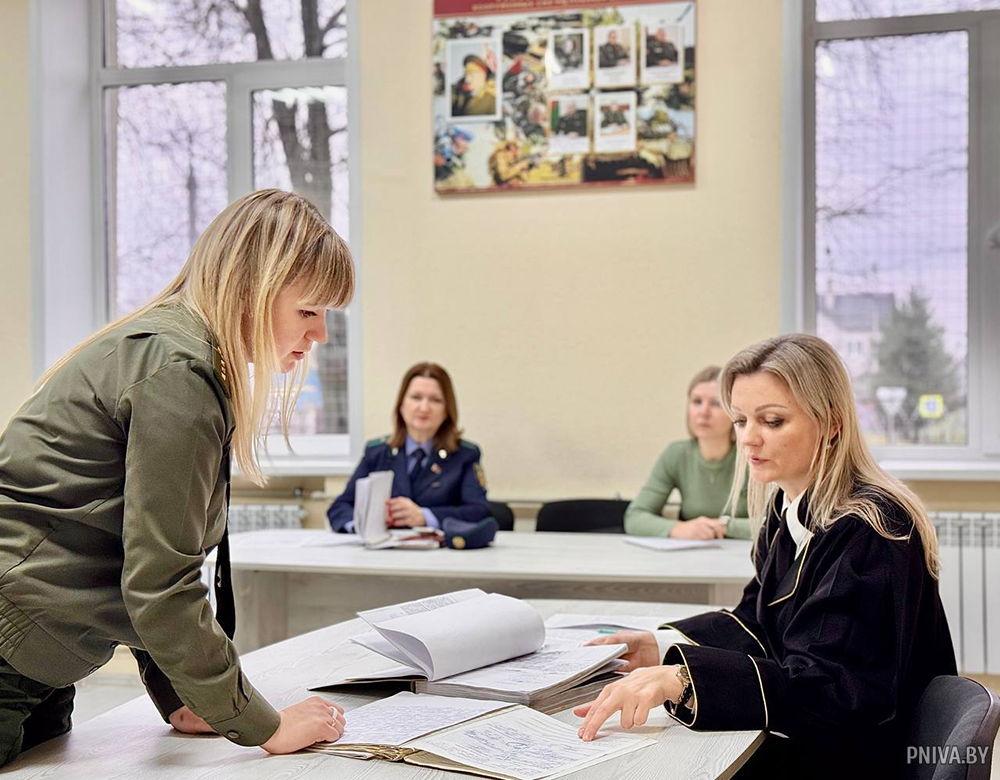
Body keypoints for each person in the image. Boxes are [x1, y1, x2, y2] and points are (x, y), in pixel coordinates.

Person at [0, 189, 355, 765]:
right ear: (251, 289)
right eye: (309, 311)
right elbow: (161, 584)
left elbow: (132, 551)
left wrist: (186, 698)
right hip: (13, 649)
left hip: (37, 655)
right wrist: (261, 725)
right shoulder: (179, 375)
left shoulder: (172, 351)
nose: (320, 336)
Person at [577, 334, 955, 779]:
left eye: (773, 421)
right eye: (740, 420)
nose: (749, 439)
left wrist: (683, 680)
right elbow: (757, 621)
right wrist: (659, 647)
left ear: (832, 424)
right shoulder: (786, 505)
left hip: (863, 759)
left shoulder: (871, 528)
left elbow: (833, 690)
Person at [327, 362, 490, 533]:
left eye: (435, 400)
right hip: (385, 548)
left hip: (440, 549)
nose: (424, 408)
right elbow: (340, 507)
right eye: (416, 397)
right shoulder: (377, 452)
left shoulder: (464, 455)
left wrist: (424, 516)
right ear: (401, 405)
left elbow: (479, 511)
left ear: (447, 410)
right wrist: (362, 526)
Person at [624, 366, 751, 540]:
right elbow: (634, 517)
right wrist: (679, 528)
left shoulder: (752, 455)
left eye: (716, 404)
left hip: (748, 553)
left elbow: (773, 524)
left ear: (734, 412)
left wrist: (724, 526)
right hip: (693, 551)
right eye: (697, 402)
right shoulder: (676, 455)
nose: (703, 412)